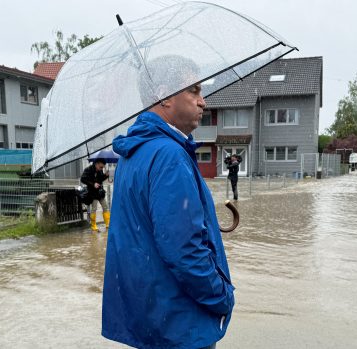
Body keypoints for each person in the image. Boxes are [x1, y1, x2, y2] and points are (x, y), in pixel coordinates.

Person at [102, 55, 235, 349]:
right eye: (195, 90)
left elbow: (149, 234)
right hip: (181, 325)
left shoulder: (132, 153)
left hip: (151, 318)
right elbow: (184, 252)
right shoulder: (169, 156)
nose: (203, 102)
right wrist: (223, 296)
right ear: (164, 96)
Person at [80, 159, 110, 232]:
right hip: (92, 192)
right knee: (94, 208)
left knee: (105, 206)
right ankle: (93, 225)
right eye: (100, 167)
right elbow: (82, 179)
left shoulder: (99, 170)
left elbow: (100, 179)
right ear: (96, 164)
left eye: (102, 167)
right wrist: (93, 184)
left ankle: (108, 224)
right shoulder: (88, 169)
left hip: (100, 192)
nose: (101, 169)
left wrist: (105, 176)